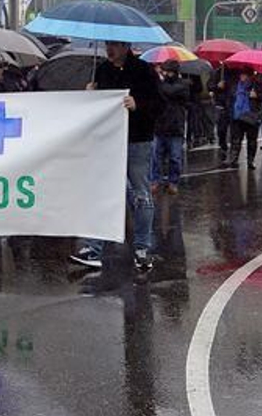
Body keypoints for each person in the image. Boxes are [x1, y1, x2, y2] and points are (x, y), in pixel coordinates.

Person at [71, 40, 160, 272]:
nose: (110, 49)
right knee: (103, 193)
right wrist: (90, 94)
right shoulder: (102, 70)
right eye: (108, 44)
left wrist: (137, 104)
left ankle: (142, 248)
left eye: (115, 45)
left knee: (140, 194)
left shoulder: (144, 70)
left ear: (125, 46)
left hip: (137, 140)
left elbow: (159, 103)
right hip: (109, 140)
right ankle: (94, 248)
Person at [152, 61, 190, 194]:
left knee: (175, 157)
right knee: (156, 156)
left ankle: (173, 182)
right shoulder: (161, 84)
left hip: (175, 126)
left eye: (167, 71)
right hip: (160, 124)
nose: (165, 74)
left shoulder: (183, 85)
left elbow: (170, 91)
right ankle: (155, 180)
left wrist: (160, 83)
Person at [226, 70, 262, 170]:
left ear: (249, 75)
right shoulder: (235, 84)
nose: (242, 76)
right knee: (236, 139)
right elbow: (229, 96)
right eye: (241, 74)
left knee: (251, 141)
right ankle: (233, 160)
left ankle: (250, 161)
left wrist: (257, 95)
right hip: (237, 116)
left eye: (245, 74)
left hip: (251, 116)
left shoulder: (257, 84)